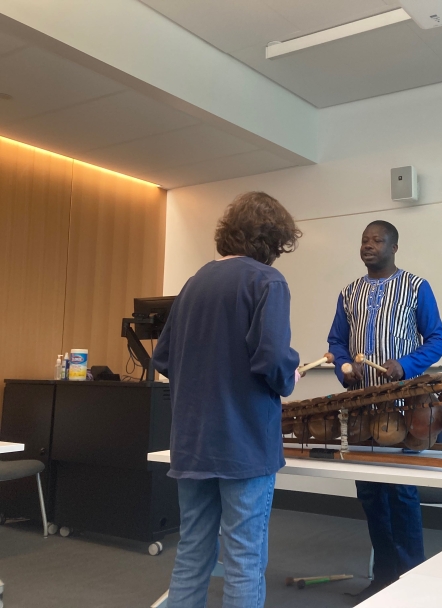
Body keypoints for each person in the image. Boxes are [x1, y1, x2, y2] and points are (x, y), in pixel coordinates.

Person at [152, 191, 301, 608]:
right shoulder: (267, 281)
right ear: (271, 241)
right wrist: (291, 370)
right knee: (244, 557)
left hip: (192, 442)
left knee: (194, 549)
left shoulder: (194, 281)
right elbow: (272, 361)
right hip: (244, 443)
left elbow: (163, 357)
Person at [327, 220, 442, 600]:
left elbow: (437, 339)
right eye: (364, 240)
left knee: (400, 493)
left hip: (403, 411)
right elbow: (336, 342)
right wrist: (344, 370)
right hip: (361, 410)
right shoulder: (349, 293)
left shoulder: (416, 287)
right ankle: (382, 580)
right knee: (370, 494)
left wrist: (405, 365)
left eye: (377, 240)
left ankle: (412, 582)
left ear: (394, 247)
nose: (369, 245)